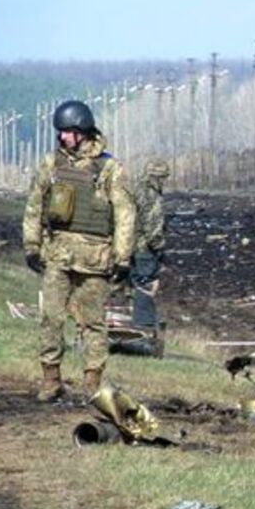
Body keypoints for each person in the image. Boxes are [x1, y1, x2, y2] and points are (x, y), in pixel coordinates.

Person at [22, 99, 136, 401]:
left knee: (93, 324)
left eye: (68, 132)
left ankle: (93, 383)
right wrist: (32, 245)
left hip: (95, 259)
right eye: (60, 132)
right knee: (51, 318)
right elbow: (35, 205)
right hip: (58, 254)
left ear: (83, 131)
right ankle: (50, 379)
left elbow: (125, 213)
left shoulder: (110, 168)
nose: (62, 138)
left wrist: (123, 257)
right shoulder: (52, 164)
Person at [130, 158, 170, 343]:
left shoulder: (135, 189)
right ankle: (143, 330)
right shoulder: (151, 195)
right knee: (145, 286)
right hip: (144, 248)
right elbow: (153, 226)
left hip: (130, 246)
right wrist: (160, 248)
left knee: (134, 284)